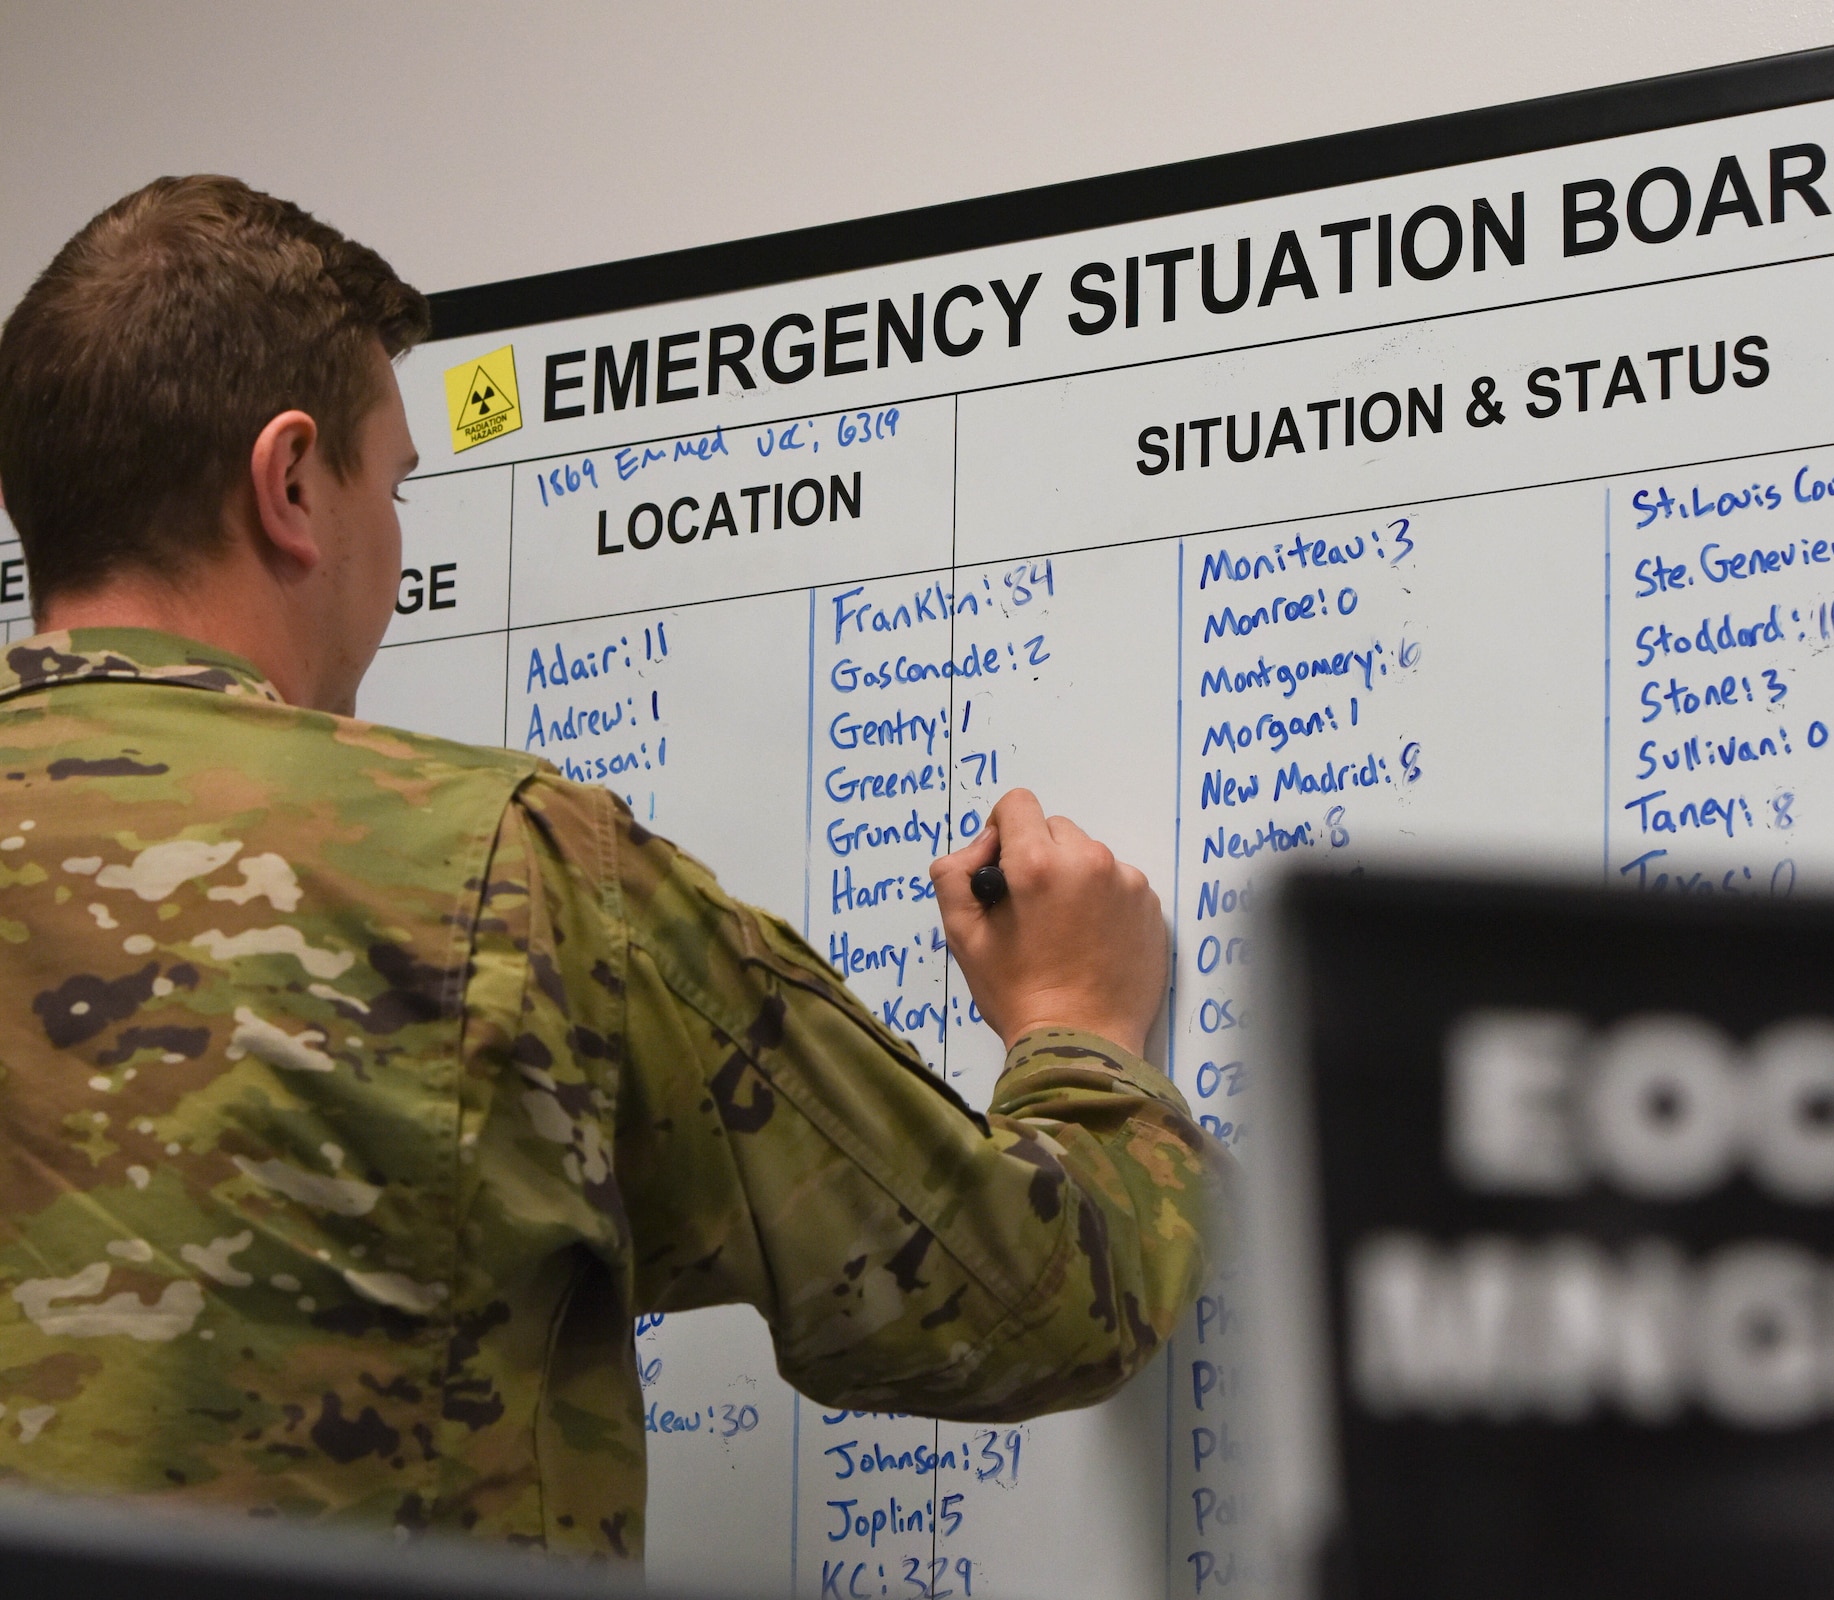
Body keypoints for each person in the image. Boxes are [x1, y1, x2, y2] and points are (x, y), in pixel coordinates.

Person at [0, 176, 1220, 1557]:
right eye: (391, 487)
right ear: (290, 484)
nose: (398, 553)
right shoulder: (506, 877)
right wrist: (1078, 1031)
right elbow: (1025, 1298)